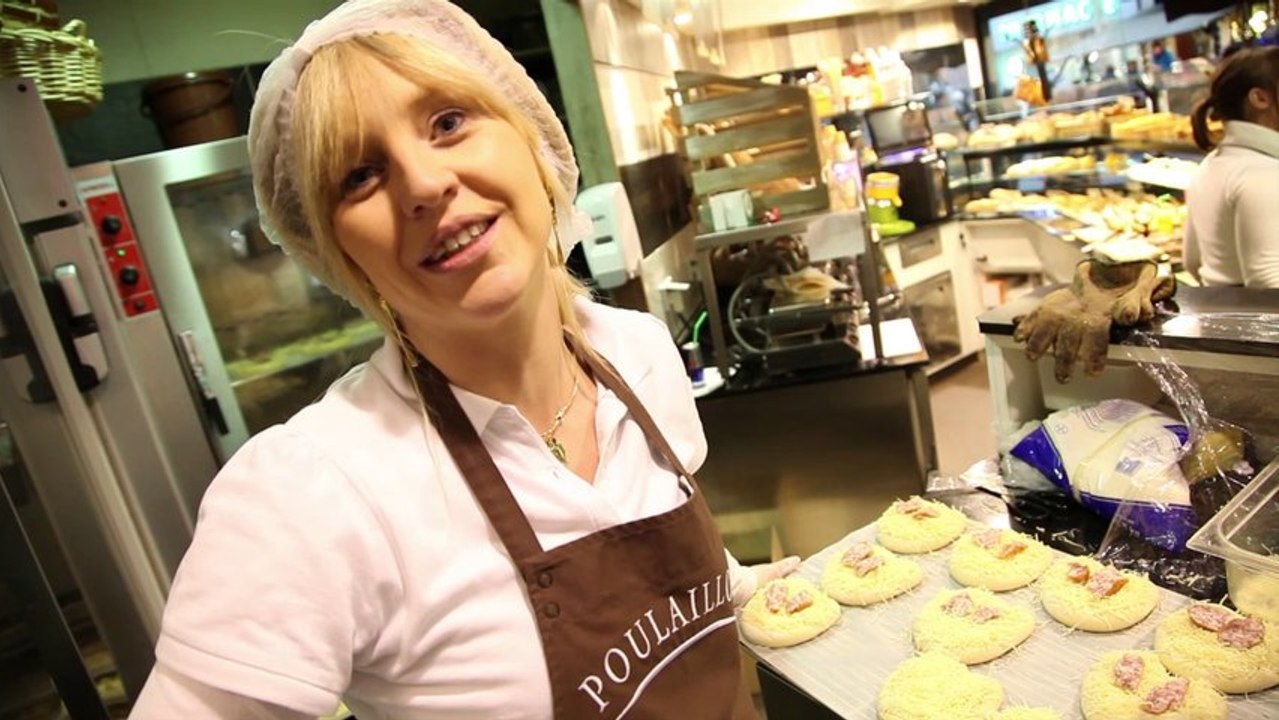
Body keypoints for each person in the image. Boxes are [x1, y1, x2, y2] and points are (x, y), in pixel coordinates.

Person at [128, 1, 796, 718]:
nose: (423, 185)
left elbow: (671, 570)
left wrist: (742, 590)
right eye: (358, 175)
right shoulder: (311, 493)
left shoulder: (636, 352)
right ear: (338, 254)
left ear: (534, 144)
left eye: (447, 122)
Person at [1183, 47, 1279, 288]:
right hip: (1259, 323)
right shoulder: (1262, 172)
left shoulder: (1211, 164)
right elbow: (1268, 280)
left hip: (1224, 318)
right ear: (1260, 98)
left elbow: (1193, 262)